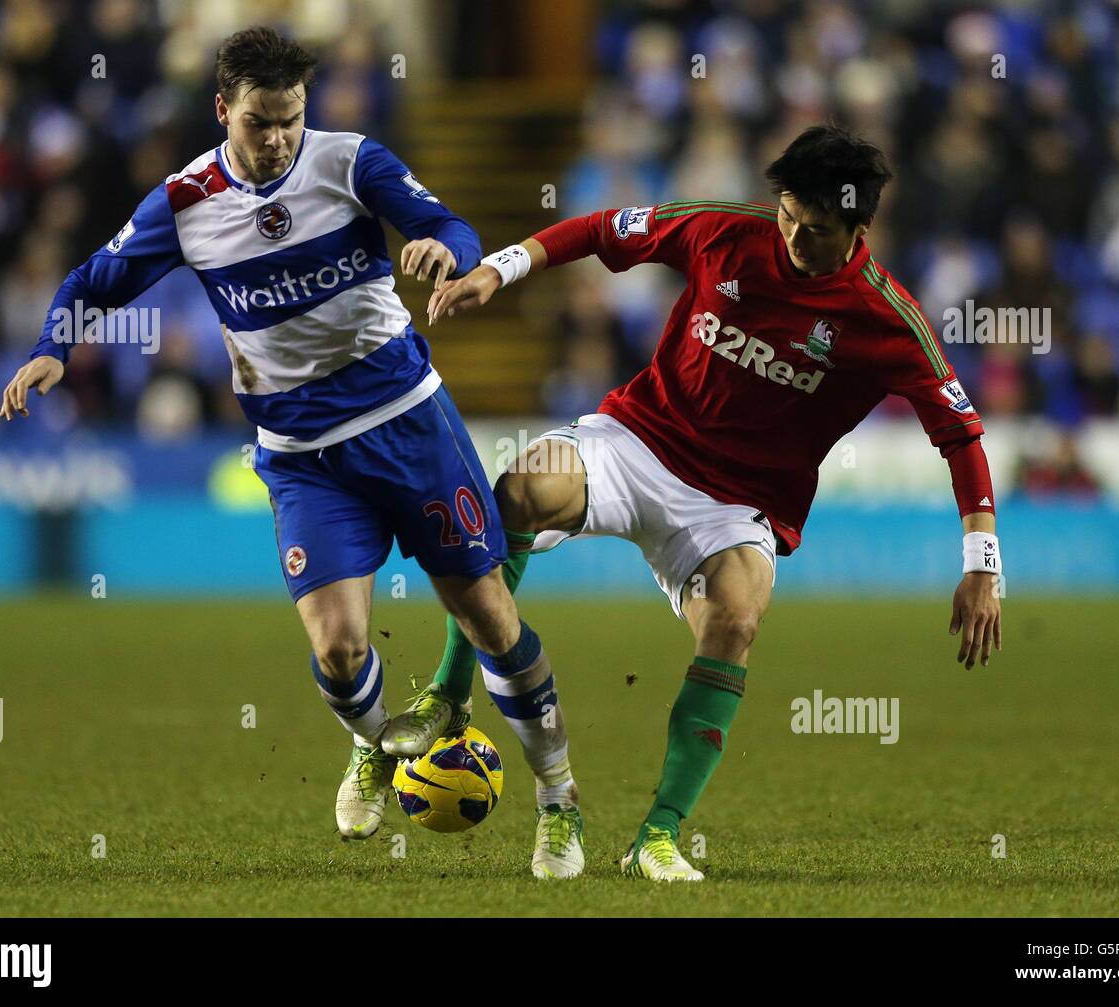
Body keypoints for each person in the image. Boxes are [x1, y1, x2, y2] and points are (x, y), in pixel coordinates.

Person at [0, 26, 570, 876]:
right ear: (223, 109)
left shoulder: (350, 161)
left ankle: (559, 799)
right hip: (301, 452)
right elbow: (95, 280)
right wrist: (54, 343)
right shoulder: (186, 201)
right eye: (260, 123)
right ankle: (377, 744)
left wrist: (439, 249)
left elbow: (450, 223)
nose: (276, 141)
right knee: (337, 647)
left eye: (291, 121)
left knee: (487, 614)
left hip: (407, 421)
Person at [394, 124, 1004, 881]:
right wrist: (500, 268)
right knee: (518, 489)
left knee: (737, 618)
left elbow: (961, 436)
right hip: (637, 439)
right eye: (785, 213)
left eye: (813, 229)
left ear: (859, 229)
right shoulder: (725, 232)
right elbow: (599, 229)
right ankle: (449, 694)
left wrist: (983, 566)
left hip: (735, 504)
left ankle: (656, 834)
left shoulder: (888, 321)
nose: (791, 236)